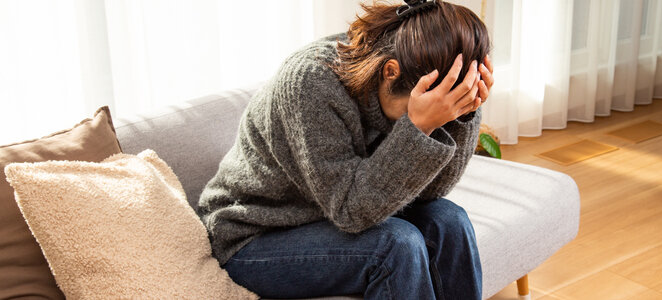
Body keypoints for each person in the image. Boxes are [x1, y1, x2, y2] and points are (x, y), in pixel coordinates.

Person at [198, 0, 493, 298]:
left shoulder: (398, 60)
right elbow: (351, 213)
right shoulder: (310, 82)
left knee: (449, 221)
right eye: (415, 110)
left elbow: (430, 192)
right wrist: (418, 128)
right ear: (390, 71)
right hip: (255, 235)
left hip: (325, 214)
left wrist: (463, 112)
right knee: (396, 245)